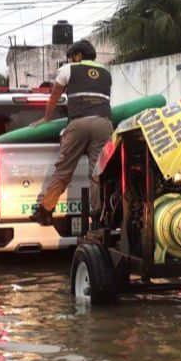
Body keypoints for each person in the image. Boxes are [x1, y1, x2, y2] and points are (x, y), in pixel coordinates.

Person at [30, 39, 114, 226]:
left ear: (78, 55)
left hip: (79, 124)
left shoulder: (69, 69)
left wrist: (46, 119)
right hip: (103, 123)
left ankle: (45, 212)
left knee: (64, 170)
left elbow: (54, 96)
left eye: (72, 57)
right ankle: (98, 216)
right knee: (97, 172)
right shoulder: (106, 74)